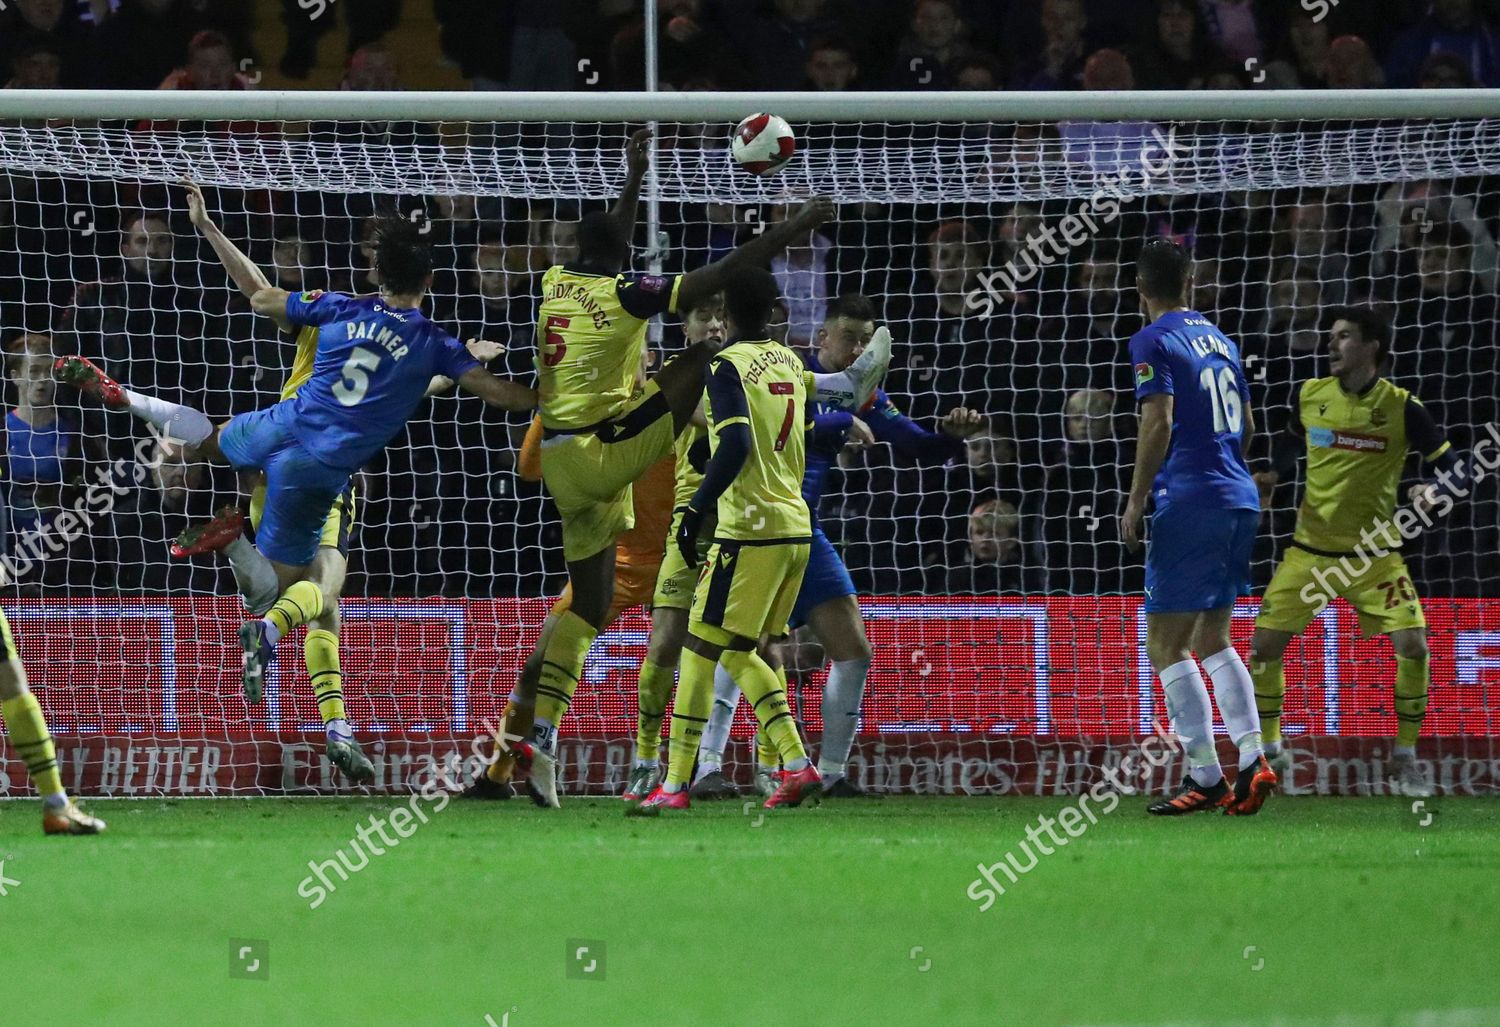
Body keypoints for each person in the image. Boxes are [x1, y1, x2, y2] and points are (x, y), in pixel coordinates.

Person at [55, 200, 537, 771]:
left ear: (375, 273)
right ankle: (260, 607)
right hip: (320, 472)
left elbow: (259, 293)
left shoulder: (328, 309)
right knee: (317, 589)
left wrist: (208, 227)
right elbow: (476, 392)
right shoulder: (431, 341)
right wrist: (561, 400)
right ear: (430, 280)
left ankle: (130, 400)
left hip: (273, 431)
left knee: (207, 442)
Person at [500, 131, 888, 808]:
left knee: (590, 613)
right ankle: (742, 766)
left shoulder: (556, 281)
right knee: (715, 361)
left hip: (573, 467)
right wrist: (792, 226)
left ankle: (547, 741)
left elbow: (606, 243)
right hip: (648, 477)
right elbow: (715, 282)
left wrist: (633, 177)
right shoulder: (639, 303)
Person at [689, 294, 982, 799]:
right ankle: (707, 768)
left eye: (867, 341)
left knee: (852, 650)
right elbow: (761, 430)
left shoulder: (863, 393)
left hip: (804, 530)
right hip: (753, 523)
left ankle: (829, 773)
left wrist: (951, 437)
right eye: (850, 338)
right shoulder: (780, 369)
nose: (860, 349)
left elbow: (916, 446)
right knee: (741, 646)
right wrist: (838, 424)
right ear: (822, 337)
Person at [629, 267, 834, 814]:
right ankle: (767, 769)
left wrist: (697, 508)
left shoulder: (726, 365)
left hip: (748, 527)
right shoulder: (791, 361)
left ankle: (777, 765)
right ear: (772, 312)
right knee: (718, 647)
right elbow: (805, 433)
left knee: (711, 647)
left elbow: (736, 442)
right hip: (795, 525)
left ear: (728, 315)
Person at [1249, 308, 1461, 796]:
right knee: (1262, 649)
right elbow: (1289, 444)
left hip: (1374, 558)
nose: (1331, 345)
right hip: (1309, 552)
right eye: (1331, 336)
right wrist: (1273, 477)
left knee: (1415, 647)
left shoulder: (1404, 408)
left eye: (1343, 337)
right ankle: (1272, 749)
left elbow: (1455, 467)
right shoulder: (1309, 395)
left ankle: (1405, 757)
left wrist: (1435, 490)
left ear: (1372, 347)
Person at [1120, 240, 1274, 817]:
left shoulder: (1151, 340)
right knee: (1213, 637)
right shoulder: (1223, 341)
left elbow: (1157, 421)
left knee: (1165, 643)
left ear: (1140, 290)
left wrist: (1137, 500)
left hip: (1189, 499)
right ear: (1190, 283)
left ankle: (1207, 774)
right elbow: (1249, 426)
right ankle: (1254, 758)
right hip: (1239, 498)